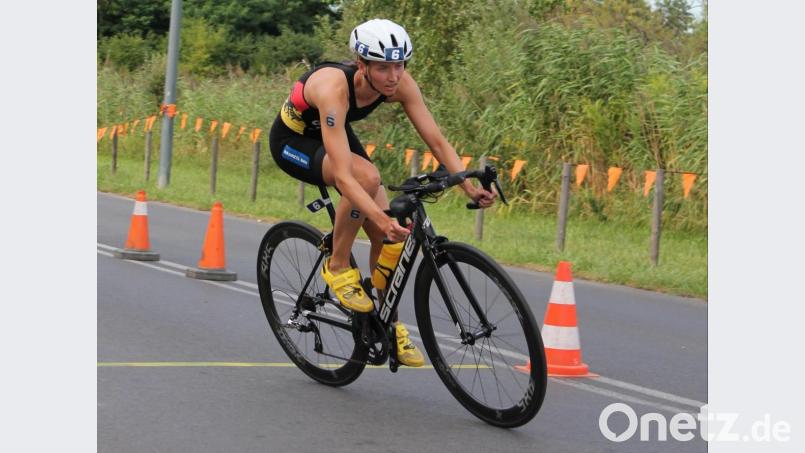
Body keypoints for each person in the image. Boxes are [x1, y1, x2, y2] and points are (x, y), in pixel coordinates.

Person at [268, 19, 496, 367]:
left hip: (335, 135)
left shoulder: (400, 84)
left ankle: (390, 325)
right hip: (294, 142)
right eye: (384, 67)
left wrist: (467, 184)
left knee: (391, 240)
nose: (394, 75)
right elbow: (345, 177)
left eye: (400, 65)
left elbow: (435, 139)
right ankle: (338, 264)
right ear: (362, 65)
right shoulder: (333, 87)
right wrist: (375, 215)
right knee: (368, 178)